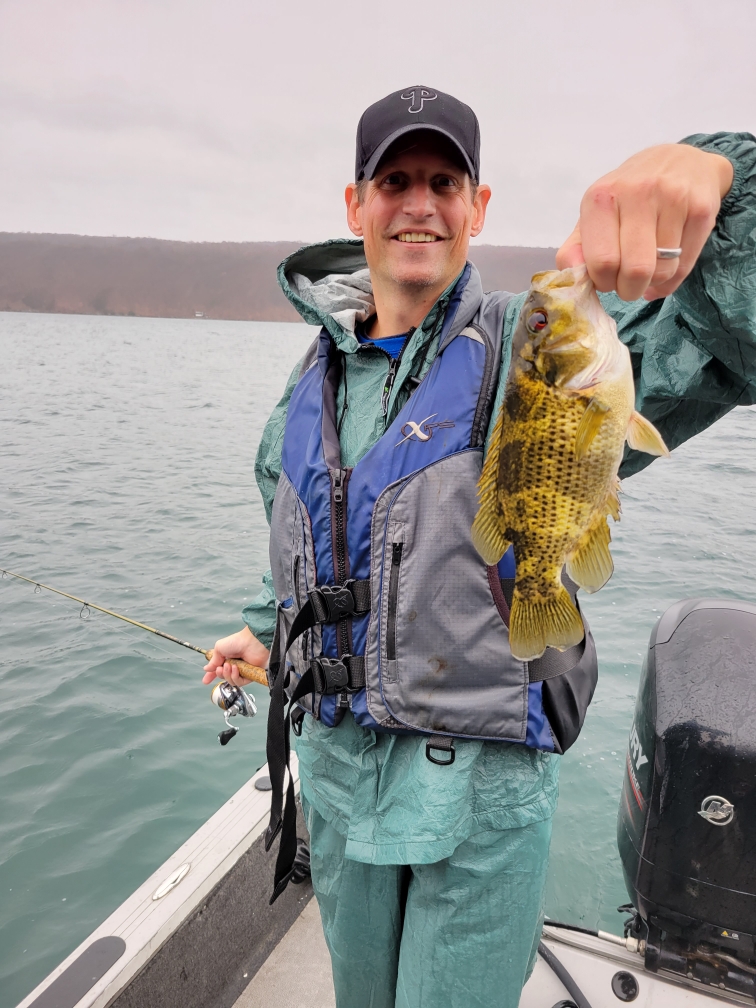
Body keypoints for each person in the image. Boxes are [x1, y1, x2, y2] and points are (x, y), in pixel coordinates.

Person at [203, 86, 756, 1007]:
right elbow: (304, 543)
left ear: (478, 206)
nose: (419, 202)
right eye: (395, 180)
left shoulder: (536, 355)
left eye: (444, 181)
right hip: (339, 786)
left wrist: (727, 179)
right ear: (356, 205)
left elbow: (734, 342)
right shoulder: (305, 385)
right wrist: (265, 631)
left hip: (477, 796)